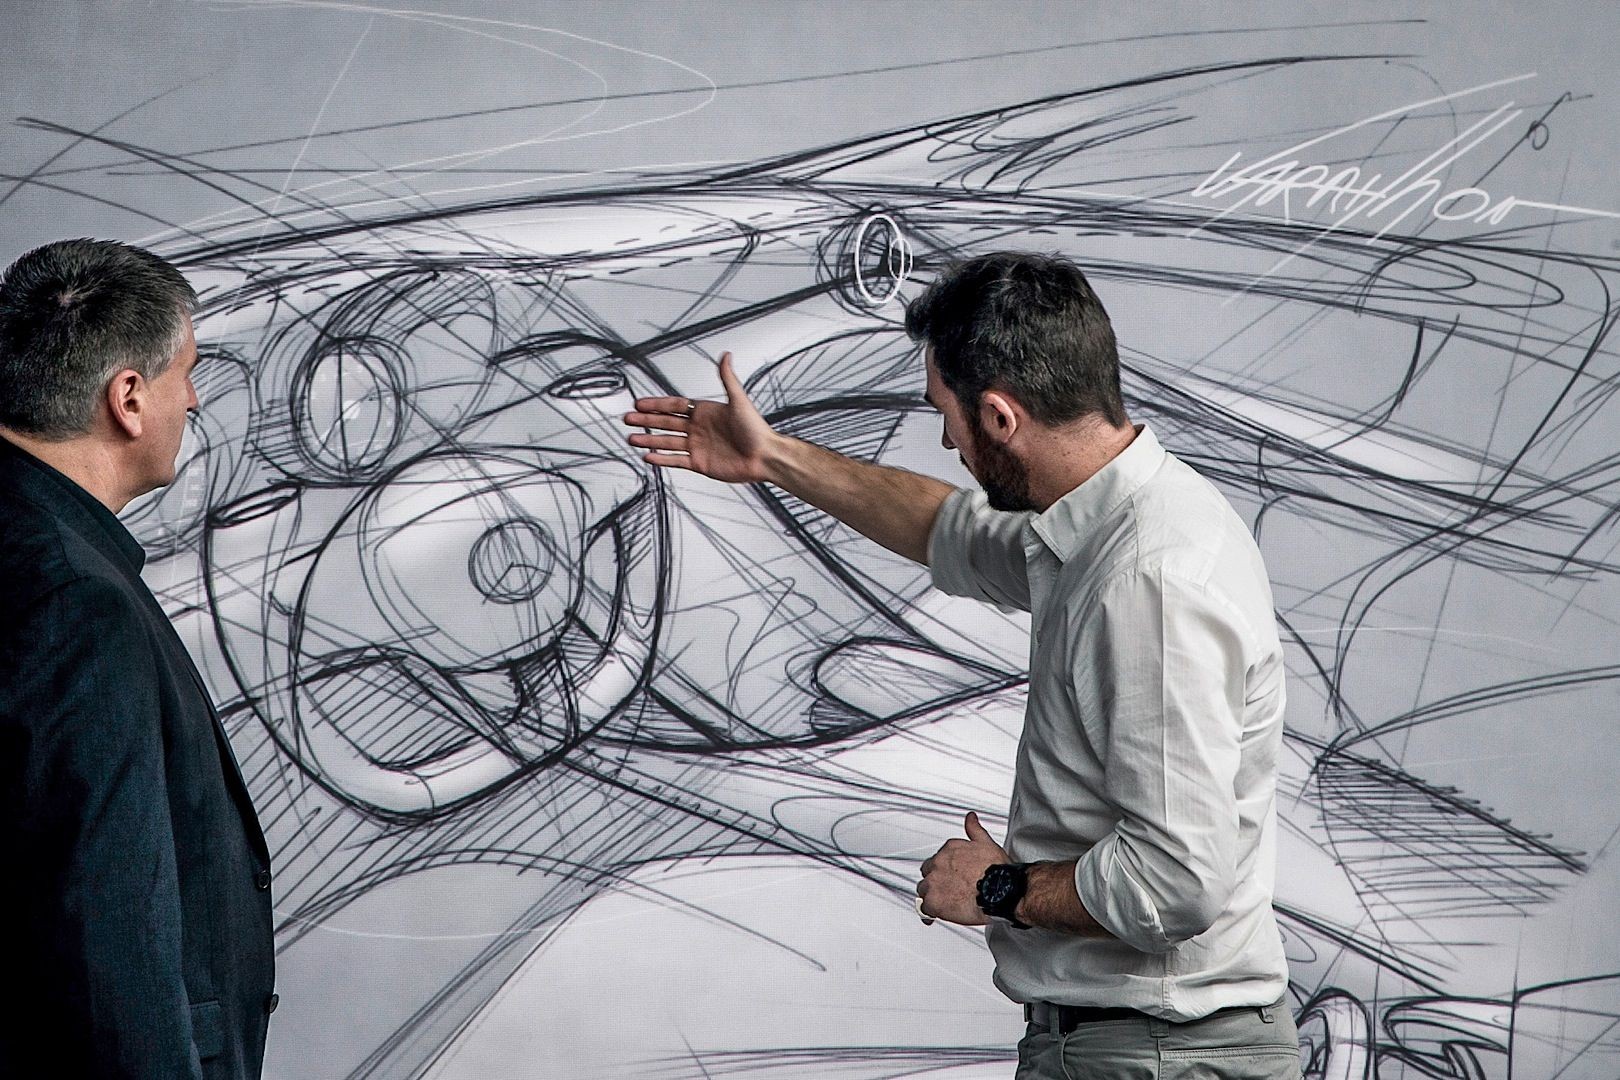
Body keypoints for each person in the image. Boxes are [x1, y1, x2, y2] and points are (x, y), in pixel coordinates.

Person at [623, 251, 1299, 1078]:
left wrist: (998, 889)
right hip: (1137, 1047)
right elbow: (949, 530)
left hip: (1154, 1054)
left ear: (1000, 416)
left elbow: (1175, 884)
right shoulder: (1103, 525)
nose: (946, 440)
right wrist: (773, 457)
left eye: (946, 416)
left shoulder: (1147, 582)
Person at [0, 239, 276, 1078]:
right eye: (185, 372)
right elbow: (107, 937)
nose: (191, 397)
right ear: (128, 398)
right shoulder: (74, 599)